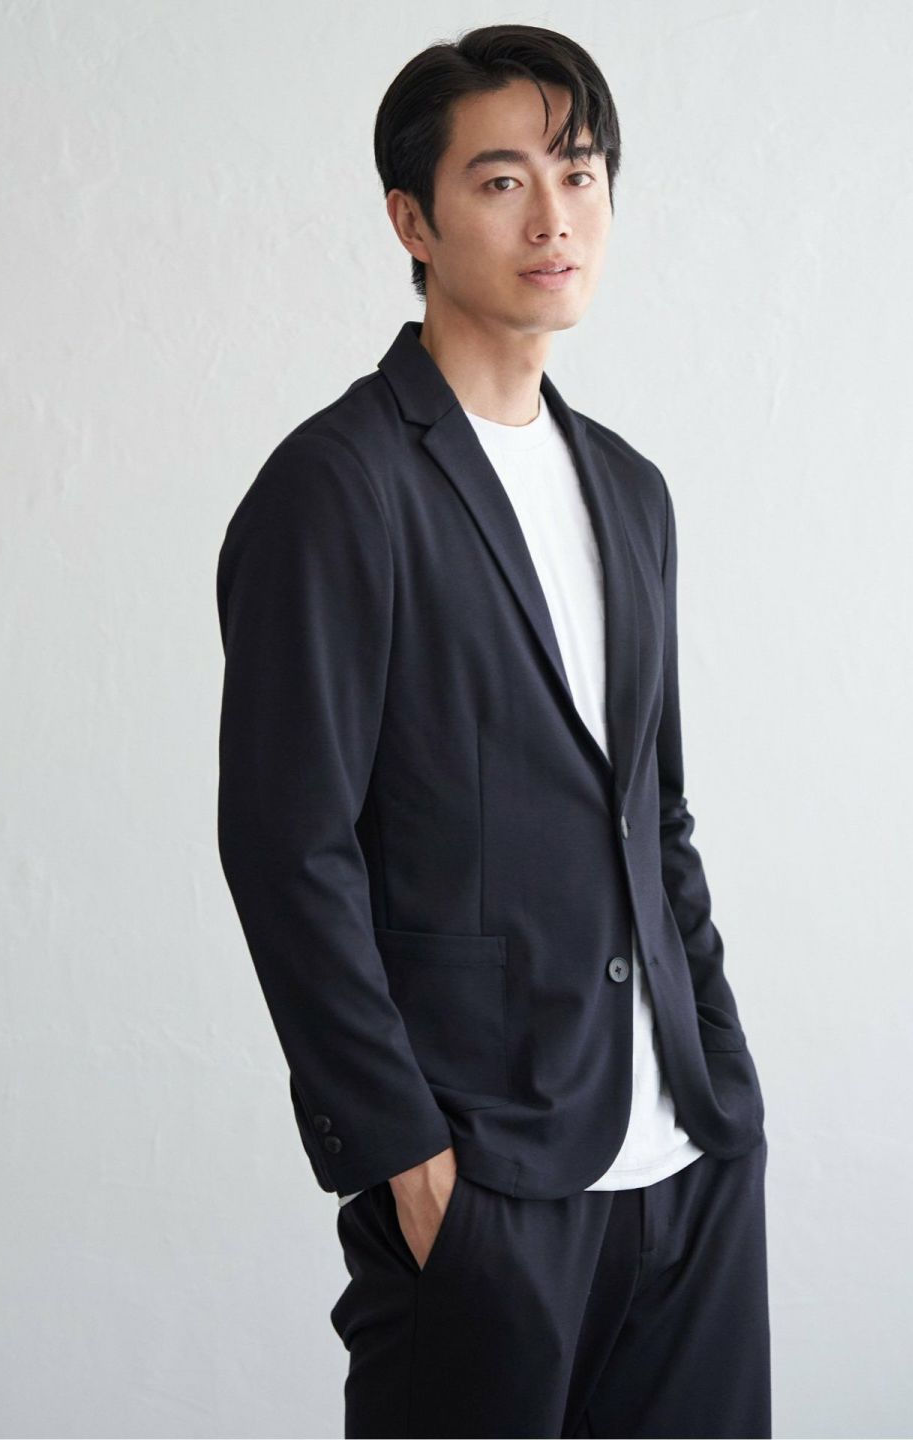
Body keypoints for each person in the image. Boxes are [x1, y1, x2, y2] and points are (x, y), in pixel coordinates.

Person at [216, 23, 770, 1439]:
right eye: (503, 180)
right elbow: (288, 846)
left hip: (685, 1173)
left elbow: (655, 813)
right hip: (486, 1182)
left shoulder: (630, 490)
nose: (554, 218)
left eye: (580, 176)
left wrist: (724, 1082)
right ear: (412, 220)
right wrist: (405, 1155)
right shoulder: (339, 487)